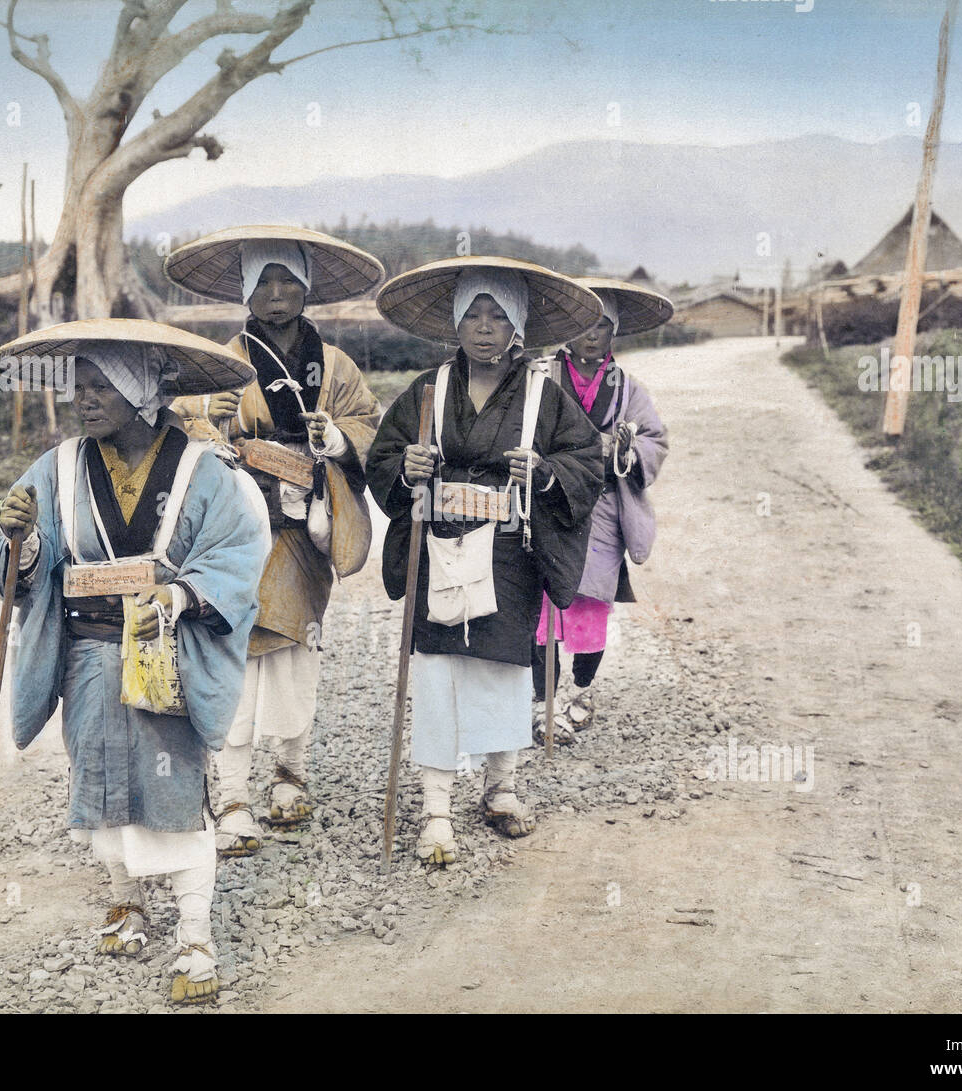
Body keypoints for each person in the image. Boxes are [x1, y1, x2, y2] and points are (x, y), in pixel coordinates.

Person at [0, 319, 269, 1006]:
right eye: (78, 386)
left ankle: (195, 936)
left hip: (164, 650)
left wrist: (178, 594)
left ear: (142, 390)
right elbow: (20, 567)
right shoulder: (55, 469)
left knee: (173, 793)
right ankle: (124, 899)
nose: (85, 400)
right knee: (100, 781)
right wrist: (17, 538)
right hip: (88, 657)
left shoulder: (204, 469)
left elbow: (236, 552)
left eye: (101, 385)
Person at [367, 257, 604, 867]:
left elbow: (586, 462)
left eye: (498, 316)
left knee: (502, 670)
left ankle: (501, 788)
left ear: (518, 327)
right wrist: (406, 469)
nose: (483, 327)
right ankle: (437, 807)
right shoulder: (427, 391)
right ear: (454, 322)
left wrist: (545, 474)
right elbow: (383, 458)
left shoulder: (543, 398)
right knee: (438, 672)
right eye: (472, 313)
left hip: (507, 552)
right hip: (438, 548)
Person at [164, 226, 384, 856]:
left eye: (290, 278)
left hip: (303, 528)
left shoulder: (334, 364)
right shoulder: (222, 362)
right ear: (246, 290)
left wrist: (333, 438)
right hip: (237, 528)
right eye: (265, 280)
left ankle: (290, 775)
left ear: (307, 287)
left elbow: (366, 423)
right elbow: (184, 428)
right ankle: (231, 794)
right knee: (233, 651)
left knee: (296, 653)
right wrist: (218, 421)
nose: (278, 292)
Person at [532, 278, 671, 740]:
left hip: (604, 509)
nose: (591, 334)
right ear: (565, 327)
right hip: (548, 503)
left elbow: (655, 439)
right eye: (583, 323)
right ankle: (540, 701)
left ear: (615, 333)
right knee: (544, 601)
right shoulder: (539, 376)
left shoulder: (628, 387)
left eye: (603, 326)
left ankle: (581, 692)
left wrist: (627, 451)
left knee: (589, 601)